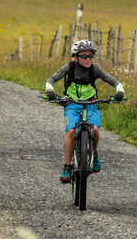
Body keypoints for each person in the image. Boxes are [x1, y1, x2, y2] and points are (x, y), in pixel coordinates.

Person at [45, 39, 125, 183]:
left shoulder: (95, 69)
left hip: (91, 104)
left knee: (95, 130)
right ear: (76, 57)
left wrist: (119, 91)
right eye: (84, 56)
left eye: (90, 56)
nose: (88, 59)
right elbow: (51, 79)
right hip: (72, 104)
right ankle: (67, 167)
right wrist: (50, 91)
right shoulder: (69, 67)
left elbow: (113, 81)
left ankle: (94, 154)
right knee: (70, 131)